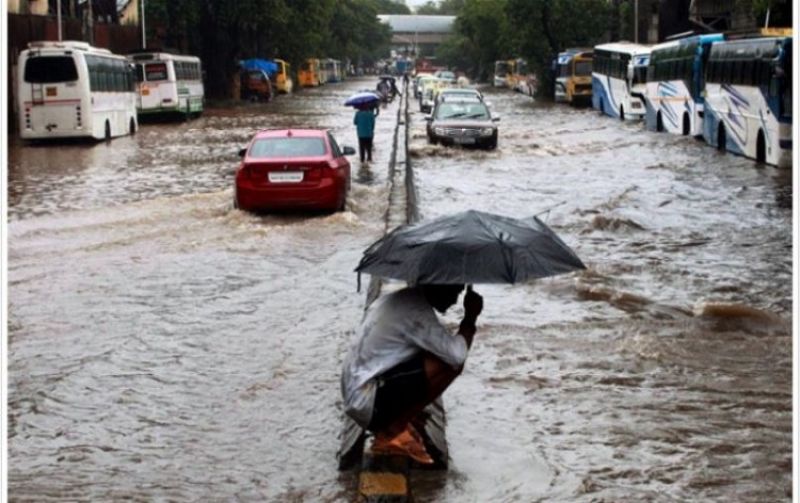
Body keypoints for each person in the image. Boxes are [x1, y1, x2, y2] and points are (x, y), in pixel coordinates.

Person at [340, 284, 483, 464]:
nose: (455, 301)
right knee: (448, 365)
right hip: (366, 401)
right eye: (454, 292)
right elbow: (457, 356)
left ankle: (396, 423)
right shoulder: (417, 312)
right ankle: (392, 432)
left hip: (358, 391)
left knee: (434, 352)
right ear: (439, 287)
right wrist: (470, 319)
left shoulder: (401, 299)